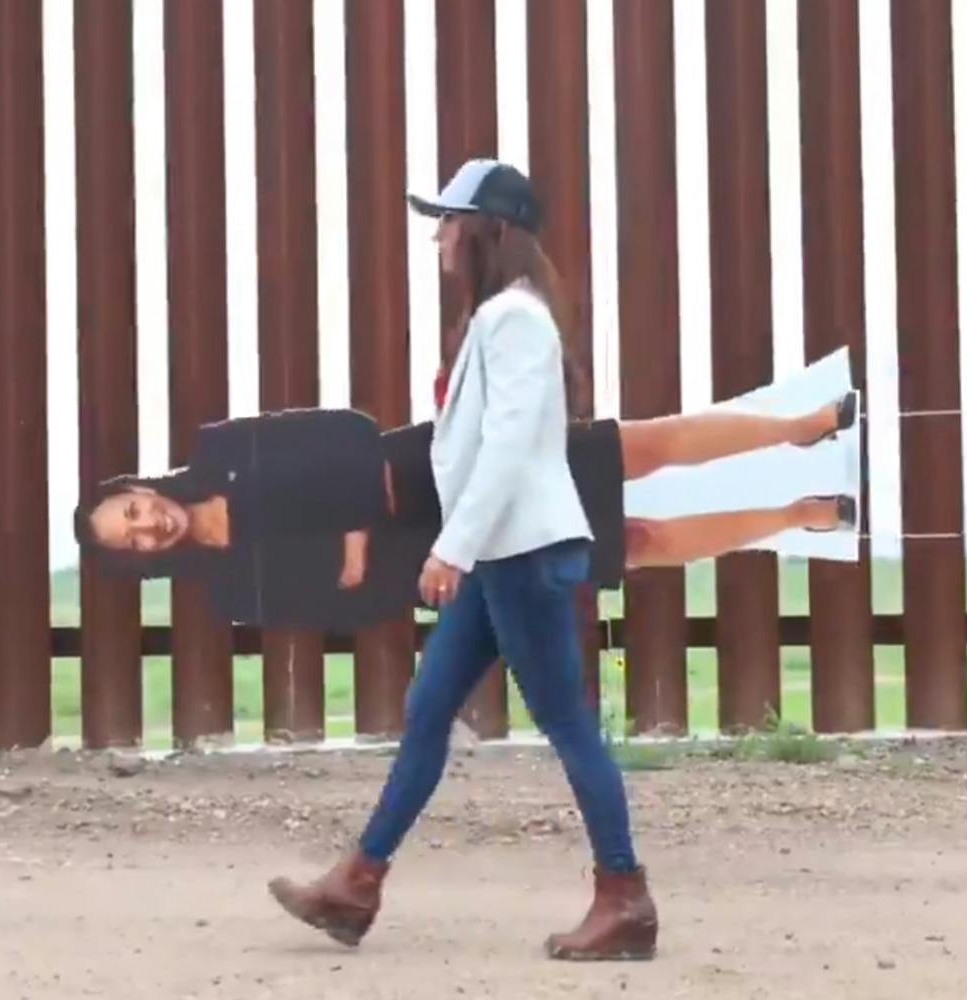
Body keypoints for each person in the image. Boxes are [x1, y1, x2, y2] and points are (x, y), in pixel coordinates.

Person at [259, 158, 702, 961]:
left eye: (450, 221)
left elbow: (507, 447)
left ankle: (625, 895)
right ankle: (356, 885)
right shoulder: (498, 319)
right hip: (502, 555)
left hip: (519, 552)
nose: (438, 236)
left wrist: (451, 548)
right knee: (428, 713)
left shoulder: (517, 322)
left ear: (490, 231)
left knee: (568, 726)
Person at [73, 383, 859, 633]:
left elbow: (346, 433)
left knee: (635, 449)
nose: (147, 528)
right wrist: (358, 525)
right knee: (638, 541)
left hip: (436, 469)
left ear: (139, 489)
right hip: (442, 558)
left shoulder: (223, 449)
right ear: (140, 561)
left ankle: (800, 427)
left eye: (132, 511)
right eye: (132, 542)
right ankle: (797, 515)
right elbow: (352, 606)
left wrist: (350, 535)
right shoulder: (231, 591)